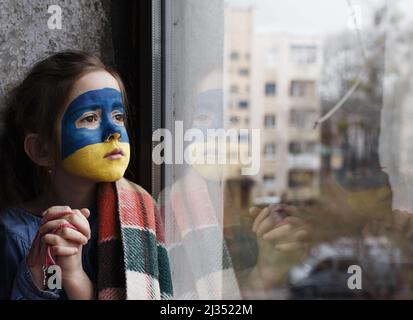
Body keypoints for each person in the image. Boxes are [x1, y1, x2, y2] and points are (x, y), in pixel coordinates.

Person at [0, 50, 172, 300]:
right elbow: (50, 282)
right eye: (90, 118)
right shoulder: (18, 235)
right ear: (41, 150)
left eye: (119, 116)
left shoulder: (140, 214)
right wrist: (54, 274)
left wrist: (76, 277)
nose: (113, 131)